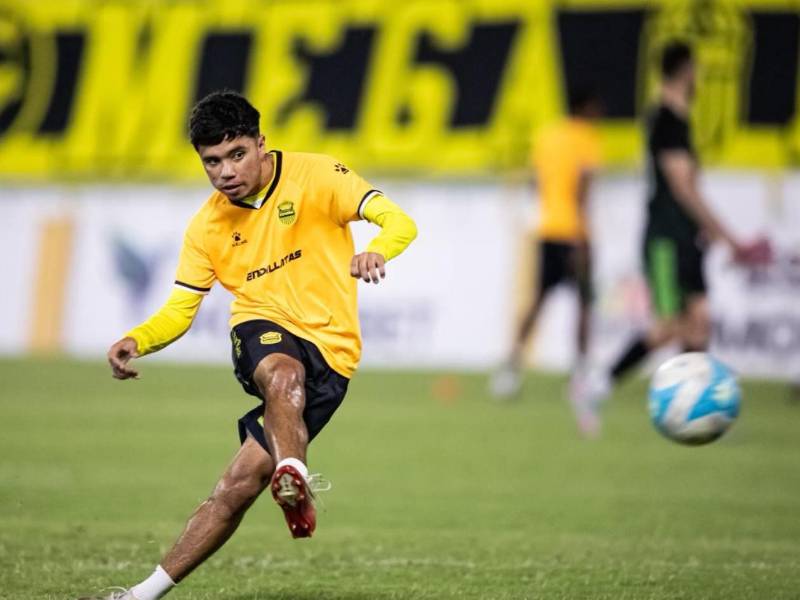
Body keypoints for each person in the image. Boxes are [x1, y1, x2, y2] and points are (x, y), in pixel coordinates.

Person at [85, 90, 417, 600]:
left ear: (261, 144)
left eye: (235, 154)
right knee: (283, 374)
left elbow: (401, 222)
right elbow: (181, 309)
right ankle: (295, 472)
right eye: (211, 162)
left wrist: (376, 250)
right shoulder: (207, 227)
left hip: (334, 352)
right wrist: (139, 339)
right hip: (261, 328)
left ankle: (141, 594)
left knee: (236, 488)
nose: (224, 172)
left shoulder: (319, 176)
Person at [572, 41, 771, 425]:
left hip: (686, 238)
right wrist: (731, 240)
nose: (699, 78)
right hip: (665, 239)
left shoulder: (680, 121)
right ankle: (597, 384)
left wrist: (705, 233)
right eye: (695, 70)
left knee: (701, 322)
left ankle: (698, 407)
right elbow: (684, 188)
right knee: (670, 326)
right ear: (683, 71)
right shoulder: (665, 121)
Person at [490, 86, 603, 431]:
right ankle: (581, 373)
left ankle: (510, 369)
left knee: (540, 300)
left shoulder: (548, 136)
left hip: (547, 227)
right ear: (586, 107)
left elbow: (536, 183)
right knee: (583, 303)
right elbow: (583, 187)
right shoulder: (587, 138)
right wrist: (582, 234)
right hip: (574, 232)